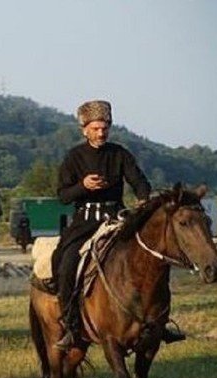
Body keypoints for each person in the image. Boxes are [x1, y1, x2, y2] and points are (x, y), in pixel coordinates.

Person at [50, 100, 184, 351]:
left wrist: (144, 199)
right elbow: (63, 195)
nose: (101, 133)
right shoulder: (74, 156)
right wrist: (83, 186)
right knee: (65, 260)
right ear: (84, 129)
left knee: (153, 260)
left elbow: (139, 181)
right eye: (96, 128)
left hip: (117, 219)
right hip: (85, 221)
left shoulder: (120, 153)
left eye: (105, 128)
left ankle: (159, 321)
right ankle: (71, 325)